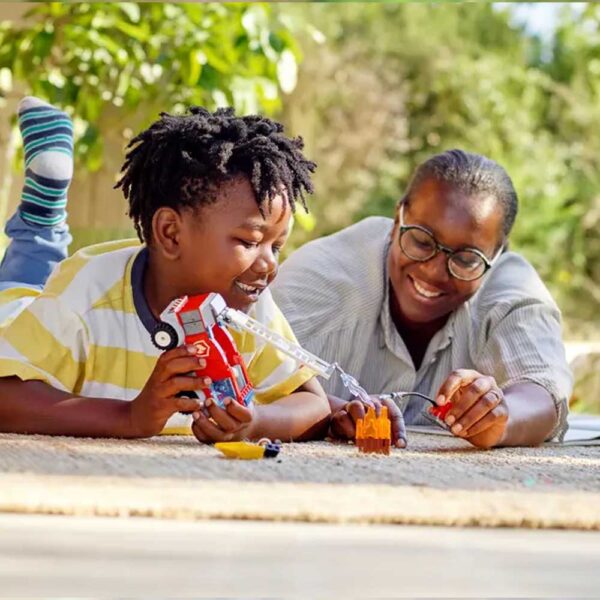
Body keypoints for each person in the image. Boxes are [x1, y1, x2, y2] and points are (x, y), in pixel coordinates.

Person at [0, 97, 331, 443]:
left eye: (276, 246)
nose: (269, 265)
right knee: (26, 279)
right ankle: (43, 217)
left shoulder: (246, 305)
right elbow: (6, 397)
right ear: (171, 233)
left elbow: (313, 403)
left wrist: (256, 421)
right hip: (16, 316)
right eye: (249, 242)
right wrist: (128, 416)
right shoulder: (86, 294)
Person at [271, 149, 573, 448]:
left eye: (466, 259)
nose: (433, 271)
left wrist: (501, 417)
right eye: (420, 240)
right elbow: (250, 373)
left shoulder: (512, 290)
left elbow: (544, 392)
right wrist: (333, 410)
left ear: (497, 255)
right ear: (397, 218)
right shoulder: (323, 276)